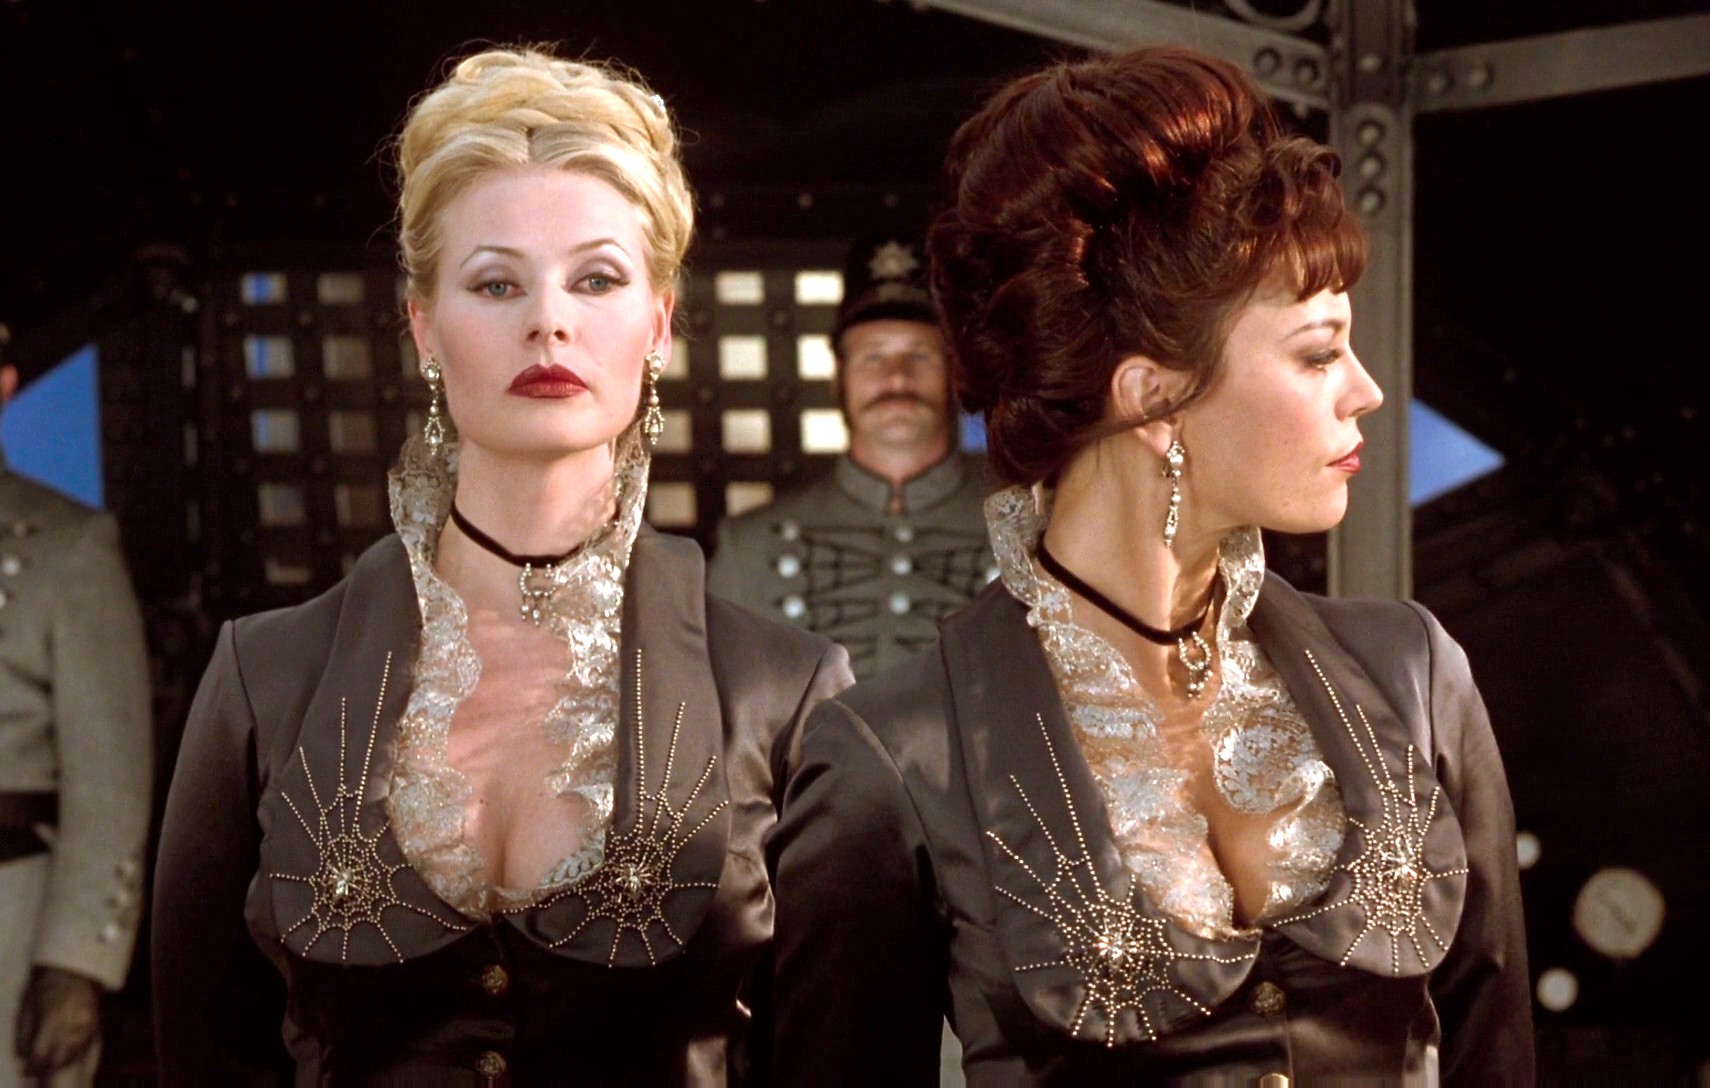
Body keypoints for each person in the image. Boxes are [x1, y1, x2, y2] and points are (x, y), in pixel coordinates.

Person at [767, 46, 1533, 1084]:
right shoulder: (896, 756)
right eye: (1317, 352)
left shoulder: (1412, 673)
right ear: (1154, 396)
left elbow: (1496, 1050)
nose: (1365, 390)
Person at [151, 48, 852, 1083]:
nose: (548, 320)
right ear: (422, 328)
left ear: (659, 324)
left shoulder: (781, 691)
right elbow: (203, 1055)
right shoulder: (267, 677)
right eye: (495, 282)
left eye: (596, 278)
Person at [707, 232, 998, 679]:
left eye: (919, 356)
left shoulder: (1022, 529)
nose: (896, 379)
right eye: (873, 358)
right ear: (838, 380)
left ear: (955, 374)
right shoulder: (749, 549)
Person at [0, 364, 152, 1088]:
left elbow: (111, 780)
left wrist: (75, 961)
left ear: (3, 384)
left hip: (10, 923)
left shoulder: (67, 547)